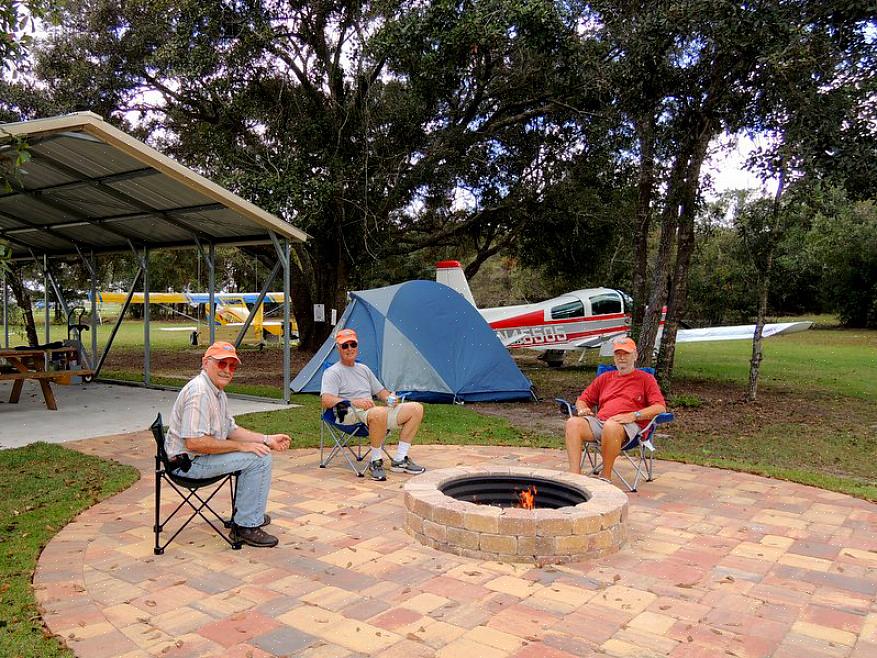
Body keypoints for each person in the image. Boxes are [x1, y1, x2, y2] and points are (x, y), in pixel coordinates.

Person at [165, 341, 291, 548]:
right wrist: (241, 447)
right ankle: (245, 526)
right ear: (206, 363)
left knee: (260, 450)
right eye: (222, 364)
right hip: (187, 465)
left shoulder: (216, 391)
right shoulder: (199, 393)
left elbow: (231, 430)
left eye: (232, 366)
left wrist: (267, 439)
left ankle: (248, 515)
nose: (227, 370)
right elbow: (195, 442)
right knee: (259, 458)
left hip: (198, 458)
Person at [320, 328, 426, 481]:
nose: (349, 349)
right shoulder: (332, 372)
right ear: (338, 348)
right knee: (378, 412)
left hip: (370, 412)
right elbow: (326, 400)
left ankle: (400, 460)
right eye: (345, 346)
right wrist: (354, 402)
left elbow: (381, 392)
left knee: (416, 408)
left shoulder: (363, 369)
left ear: (357, 346)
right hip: (345, 411)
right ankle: (375, 462)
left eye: (353, 344)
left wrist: (390, 398)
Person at [564, 336, 666, 482]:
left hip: (628, 426)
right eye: (618, 354)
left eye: (626, 354)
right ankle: (574, 476)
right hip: (601, 423)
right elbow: (582, 400)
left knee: (611, 426)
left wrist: (633, 416)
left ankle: (605, 476)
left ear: (635, 356)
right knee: (572, 423)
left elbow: (660, 407)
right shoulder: (605, 378)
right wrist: (582, 408)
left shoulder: (646, 379)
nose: (622, 358)